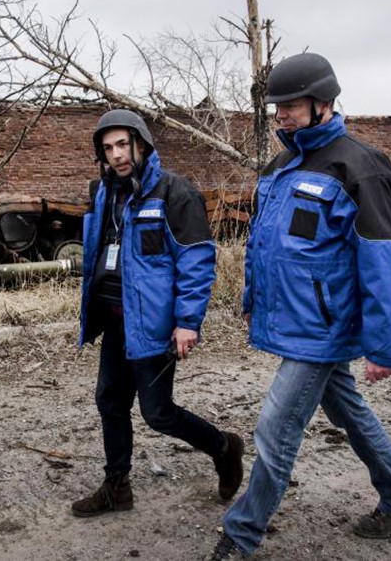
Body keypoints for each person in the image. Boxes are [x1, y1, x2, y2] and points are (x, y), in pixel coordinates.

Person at [209, 52, 391, 560]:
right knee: (347, 410)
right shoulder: (281, 164)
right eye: (277, 106)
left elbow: (381, 261)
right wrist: (253, 300)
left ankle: (241, 536)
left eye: (291, 104)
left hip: (325, 327)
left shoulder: (361, 165)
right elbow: (262, 245)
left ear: (324, 103)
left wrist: (381, 345)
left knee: (275, 427)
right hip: (297, 318)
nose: (281, 114)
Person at [71, 108, 245, 517]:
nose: (116, 154)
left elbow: (197, 262)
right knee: (109, 402)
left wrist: (188, 322)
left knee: (158, 413)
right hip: (115, 321)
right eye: (108, 147)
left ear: (143, 143)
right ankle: (117, 487)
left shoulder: (174, 192)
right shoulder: (104, 192)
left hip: (153, 325)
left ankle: (223, 447)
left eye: (123, 144)